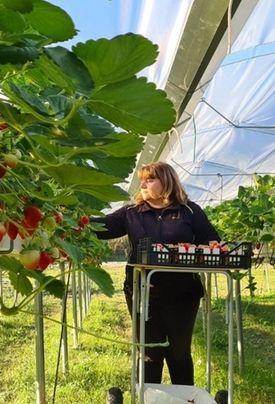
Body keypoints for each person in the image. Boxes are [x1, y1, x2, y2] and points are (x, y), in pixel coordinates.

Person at [91, 161, 220, 386]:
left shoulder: (189, 211)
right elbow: (103, 226)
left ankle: (184, 399)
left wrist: (210, 248)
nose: (143, 184)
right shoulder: (131, 213)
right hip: (141, 293)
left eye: (150, 179)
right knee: (149, 351)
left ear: (166, 182)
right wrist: (73, 222)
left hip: (183, 294)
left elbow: (211, 241)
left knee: (179, 352)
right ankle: (148, 397)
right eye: (142, 179)